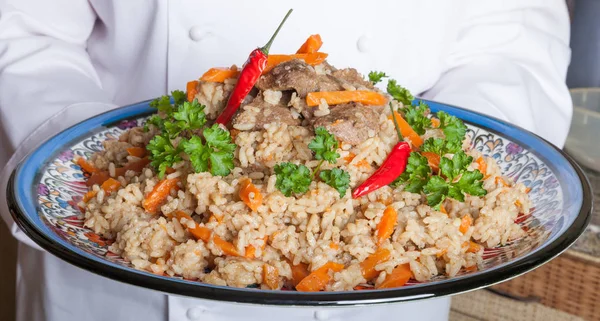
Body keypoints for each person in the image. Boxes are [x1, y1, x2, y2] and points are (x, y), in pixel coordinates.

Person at [0, 1, 572, 321]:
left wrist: (453, 180)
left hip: (381, 278)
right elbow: (21, 26)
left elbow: (510, 42)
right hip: (124, 279)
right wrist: (65, 154)